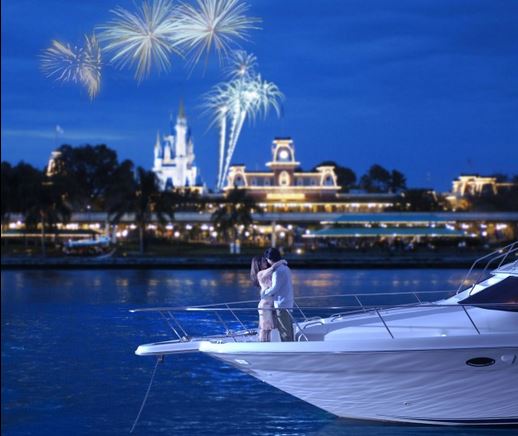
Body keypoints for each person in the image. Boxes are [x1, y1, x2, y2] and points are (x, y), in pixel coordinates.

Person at [250, 255, 287, 342]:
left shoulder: (268, 274)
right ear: (258, 264)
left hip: (270, 306)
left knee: (270, 327)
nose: (265, 262)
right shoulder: (260, 274)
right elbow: (273, 268)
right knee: (265, 328)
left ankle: (266, 343)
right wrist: (281, 262)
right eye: (263, 261)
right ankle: (262, 344)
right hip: (265, 306)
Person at [261, 247, 294, 342]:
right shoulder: (286, 268)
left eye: (267, 259)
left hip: (281, 303)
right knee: (288, 328)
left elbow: (275, 288)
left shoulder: (277, 271)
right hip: (288, 301)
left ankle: (288, 350)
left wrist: (264, 293)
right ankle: (291, 345)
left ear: (269, 259)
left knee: (284, 330)